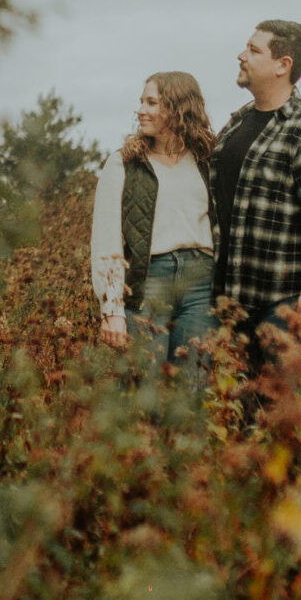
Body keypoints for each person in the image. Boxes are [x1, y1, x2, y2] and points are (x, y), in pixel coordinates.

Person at [211, 20, 301, 382]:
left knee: (282, 421)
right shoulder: (236, 124)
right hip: (231, 304)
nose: (241, 56)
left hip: (285, 306)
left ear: (282, 65)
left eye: (254, 50)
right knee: (238, 424)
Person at [90, 71, 217, 376]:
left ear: (178, 109)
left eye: (152, 103)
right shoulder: (124, 163)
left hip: (201, 284)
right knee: (143, 389)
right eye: (141, 102)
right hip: (148, 282)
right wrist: (112, 309)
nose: (141, 110)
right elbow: (106, 240)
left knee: (194, 385)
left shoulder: (206, 160)